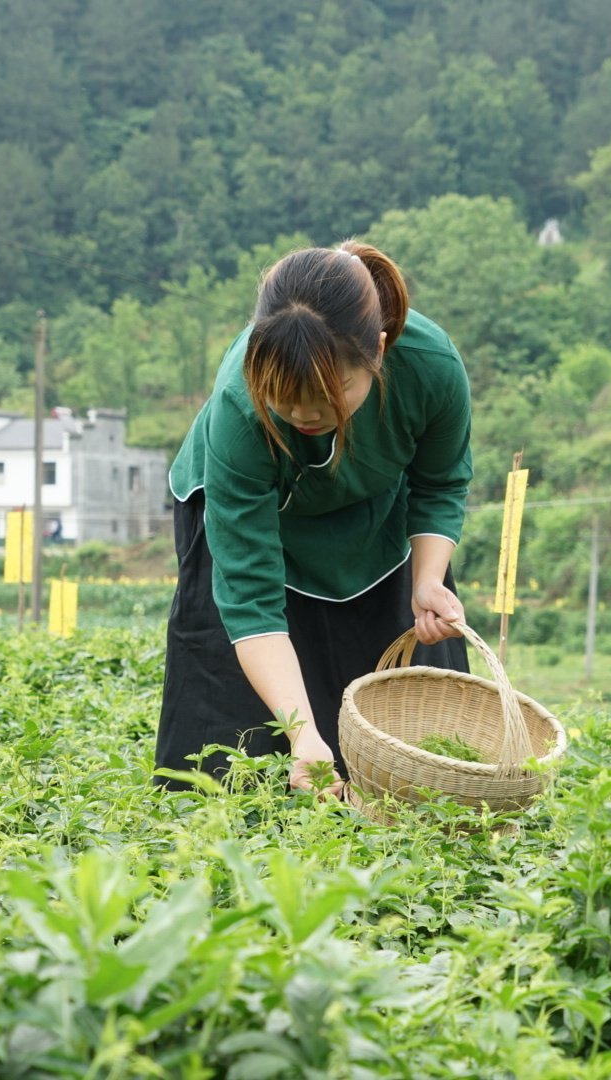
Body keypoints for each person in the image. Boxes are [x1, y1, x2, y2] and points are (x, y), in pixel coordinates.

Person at [156, 240, 473, 797]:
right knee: (238, 746)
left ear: (378, 351)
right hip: (256, 525)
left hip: (373, 518)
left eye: (331, 394)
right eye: (283, 395)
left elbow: (440, 482)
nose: (304, 413)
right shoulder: (240, 407)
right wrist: (303, 736)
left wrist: (426, 582)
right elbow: (250, 599)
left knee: (400, 716)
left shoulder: (430, 366)